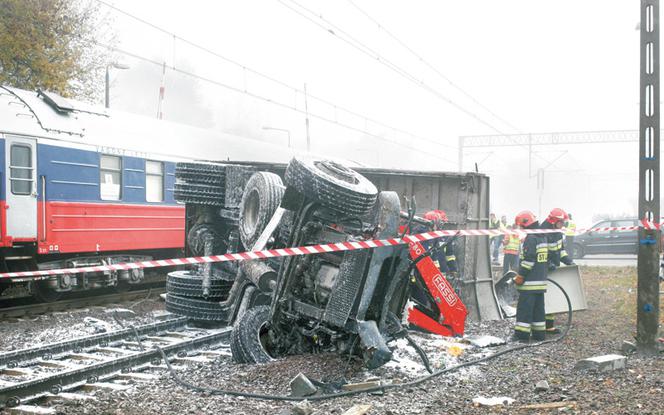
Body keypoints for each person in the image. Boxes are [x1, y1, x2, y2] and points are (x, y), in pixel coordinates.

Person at [512, 210, 548, 342]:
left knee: (524, 310)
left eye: (521, 226)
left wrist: (521, 275)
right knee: (538, 310)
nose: (521, 228)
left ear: (526, 224)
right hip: (540, 282)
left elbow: (529, 260)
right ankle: (539, 335)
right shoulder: (542, 236)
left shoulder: (531, 238)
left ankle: (521, 336)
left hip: (529, 283)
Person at [540, 208, 575, 334]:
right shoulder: (543, 232)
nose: (563, 225)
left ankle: (549, 326)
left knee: (552, 296)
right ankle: (538, 325)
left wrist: (568, 260)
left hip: (554, 268)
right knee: (542, 298)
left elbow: (561, 250)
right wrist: (548, 263)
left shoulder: (558, 232)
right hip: (542, 270)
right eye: (561, 222)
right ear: (554, 221)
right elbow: (540, 251)